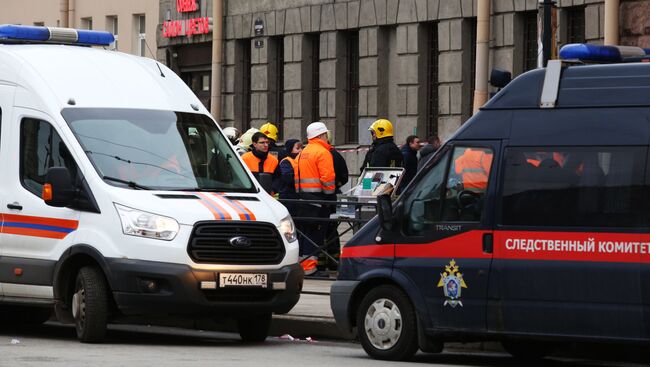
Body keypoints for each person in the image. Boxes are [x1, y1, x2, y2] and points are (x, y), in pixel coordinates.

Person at [294, 122, 336, 276]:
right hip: (319, 199)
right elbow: (328, 178)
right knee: (315, 234)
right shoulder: (322, 152)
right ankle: (310, 268)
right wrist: (330, 196)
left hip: (303, 198)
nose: (327, 137)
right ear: (320, 135)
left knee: (305, 233)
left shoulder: (303, 152)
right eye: (325, 134)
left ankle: (302, 265)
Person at [278, 139, 302, 216]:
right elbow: (288, 179)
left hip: (297, 197)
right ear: (290, 149)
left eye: (302, 148)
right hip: (288, 197)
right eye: (297, 148)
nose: (301, 150)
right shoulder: (286, 161)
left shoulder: (300, 161)